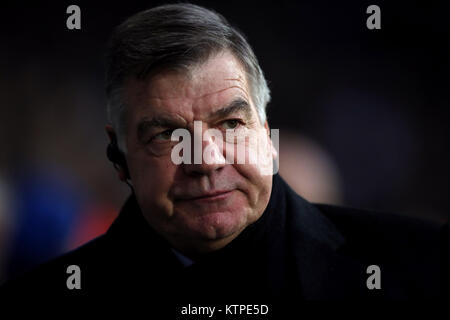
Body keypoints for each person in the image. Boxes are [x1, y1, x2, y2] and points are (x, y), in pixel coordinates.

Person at [2, 3, 448, 309]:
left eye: (231, 124)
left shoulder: (424, 271)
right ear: (118, 157)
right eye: (167, 134)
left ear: (267, 136)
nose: (206, 160)